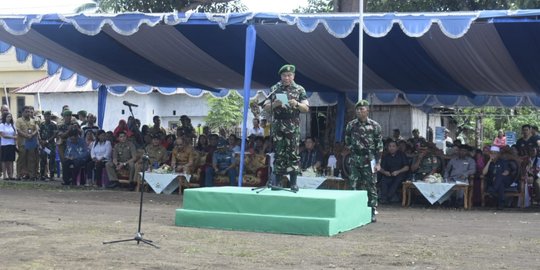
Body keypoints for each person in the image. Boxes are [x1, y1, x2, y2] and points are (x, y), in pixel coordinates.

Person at [263, 64, 309, 191]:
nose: (287, 78)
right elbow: (266, 107)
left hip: (292, 125)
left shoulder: (299, 89)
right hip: (278, 124)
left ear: (293, 76)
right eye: (284, 75)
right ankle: (277, 183)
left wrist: (297, 103)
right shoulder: (275, 88)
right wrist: (274, 104)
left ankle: (293, 182)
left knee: (293, 153)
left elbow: (306, 108)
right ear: (281, 76)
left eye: (289, 75)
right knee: (279, 153)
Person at [345, 100, 383, 222]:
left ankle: (372, 211)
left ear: (367, 110)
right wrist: (353, 149)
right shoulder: (351, 125)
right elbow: (347, 140)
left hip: (369, 158)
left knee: (370, 185)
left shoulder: (375, 126)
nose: (359, 111)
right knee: (353, 184)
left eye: (362, 109)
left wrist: (378, 163)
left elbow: (379, 146)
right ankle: (353, 211)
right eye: (357, 109)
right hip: (355, 158)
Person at [16, 106, 40, 181]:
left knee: (31, 159)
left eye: (29, 112)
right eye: (26, 111)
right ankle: (19, 175)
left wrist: (32, 134)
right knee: (21, 159)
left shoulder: (33, 121)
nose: (28, 113)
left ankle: (31, 175)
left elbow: (37, 129)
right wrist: (26, 135)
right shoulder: (19, 120)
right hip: (22, 142)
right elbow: (18, 130)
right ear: (22, 112)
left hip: (31, 143)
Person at [38, 111, 58, 181]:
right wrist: (41, 141)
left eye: (48, 116)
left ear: (50, 116)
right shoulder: (42, 124)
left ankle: (52, 175)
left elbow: (55, 135)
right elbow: (39, 133)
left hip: (50, 145)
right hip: (43, 145)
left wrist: (47, 141)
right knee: (43, 159)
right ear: (44, 116)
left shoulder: (53, 125)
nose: (47, 117)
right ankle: (42, 175)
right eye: (46, 116)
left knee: (52, 159)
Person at [0, 113, 16, 180]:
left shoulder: (12, 125)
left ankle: (11, 175)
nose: (9, 118)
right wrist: (13, 137)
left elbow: (16, 134)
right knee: (4, 160)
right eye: (7, 117)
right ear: (4, 117)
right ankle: (4, 176)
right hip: (5, 145)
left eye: (10, 117)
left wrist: (14, 138)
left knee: (11, 160)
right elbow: (3, 135)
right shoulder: (2, 125)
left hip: (12, 144)